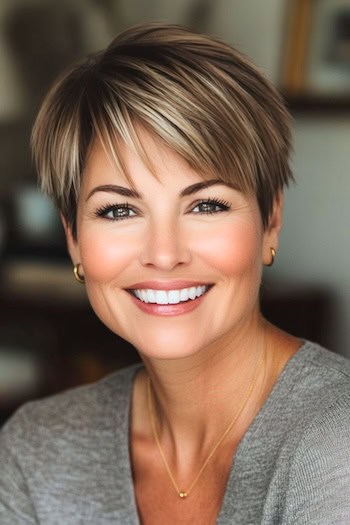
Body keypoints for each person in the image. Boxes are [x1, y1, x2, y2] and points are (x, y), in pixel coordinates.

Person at [1, 23, 350, 525]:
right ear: (74, 238)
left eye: (206, 204)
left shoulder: (336, 441)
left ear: (270, 221)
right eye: (119, 211)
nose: (164, 254)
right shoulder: (37, 452)